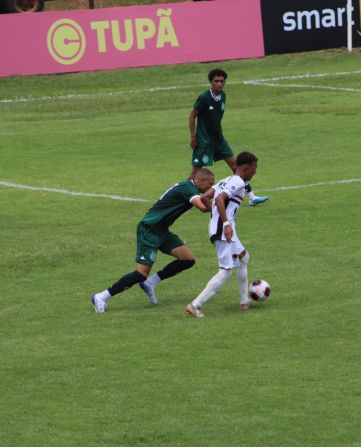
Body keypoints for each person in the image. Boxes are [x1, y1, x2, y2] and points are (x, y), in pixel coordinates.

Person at [90, 168, 216, 313]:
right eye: (209, 184)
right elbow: (202, 207)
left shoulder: (188, 186)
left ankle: (150, 283)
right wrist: (220, 205)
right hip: (149, 229)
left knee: (187, 259)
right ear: (200, 181)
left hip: (161, 230)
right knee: (140, 273)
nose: (210, 188)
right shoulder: (189, 188)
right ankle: (101, 297)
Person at [185, 151, 260, 318]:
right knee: (225, 271)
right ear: (246, 168)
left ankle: (244, 301)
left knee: (243, 257)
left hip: (221, 227)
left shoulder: (227, 179)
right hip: (223, 230)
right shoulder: (238, 182)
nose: (255, 173)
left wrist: (216, 214)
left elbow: (204, 197)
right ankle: (195, 305)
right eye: (254, 170)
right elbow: (219, 200)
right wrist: (225, 223)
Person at [188, 67, 269, 206]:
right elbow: (192, 116)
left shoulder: (223, 96)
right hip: (204, 141)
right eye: (216, 81)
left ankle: (252, 197)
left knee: (236, 166)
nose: (219, 84)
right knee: (195, 173)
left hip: (219, 139)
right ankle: (181, 195)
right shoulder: (204, 98)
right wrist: (193, 136)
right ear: (211, 82)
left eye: (221, 81)